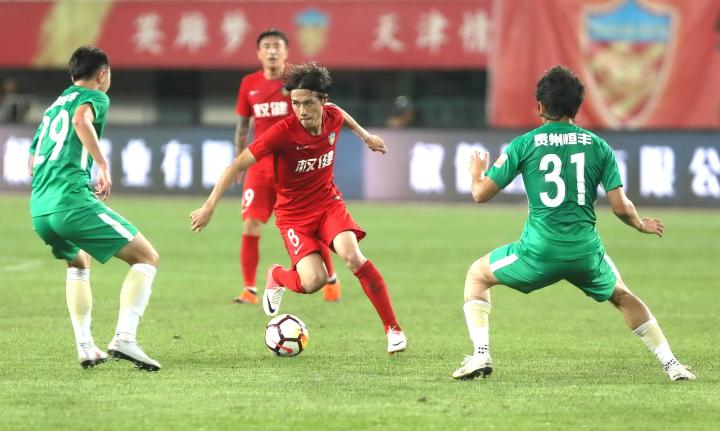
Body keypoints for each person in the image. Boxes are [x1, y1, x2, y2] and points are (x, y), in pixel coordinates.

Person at [451, 65, 695, 381]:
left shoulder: (524, 144)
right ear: (577, 106)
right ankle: (672, 364)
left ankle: (481, 355)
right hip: (584, 251)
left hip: (538, 252)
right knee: (622, 295)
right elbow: (620, 206)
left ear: (541, 105)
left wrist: (476, 174)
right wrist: (639, 224)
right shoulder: (598, 146)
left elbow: (480, 194)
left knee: (477, 275)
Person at [191, 62, 407, 353]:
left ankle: (393, 328)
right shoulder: (282, 132)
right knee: (314, 281)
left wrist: (365, 136)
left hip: (328, 204)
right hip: (293, 217)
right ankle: (278, 275)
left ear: (323, 101)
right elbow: (237, 165)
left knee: (352, 255)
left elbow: (341, 114)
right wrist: (209, 206)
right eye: (295, 103)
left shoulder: (332, 115)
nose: (301, 111)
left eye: (308, 103)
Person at [28, 46, 161, 371]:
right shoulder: (95, 97)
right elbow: (80, 120)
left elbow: (32, 163)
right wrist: (102, 164)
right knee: (147, 258)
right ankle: (125, 338)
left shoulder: (53, 107)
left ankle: (86, 347)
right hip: (70, 203)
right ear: (102, 74)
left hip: (40, 209)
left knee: (78, 262)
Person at [232, 29, 341, 305]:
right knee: (251, 224)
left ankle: (329, 279)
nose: (272, 51)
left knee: (312, 225)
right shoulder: (249, 83)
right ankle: (249, 289)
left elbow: (326, 111)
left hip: (294, 166)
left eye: (277, 46)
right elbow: (243, 124)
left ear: (286, 52)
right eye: (266, 46)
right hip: (260, 167)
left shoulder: (297, 83)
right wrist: (239, 160)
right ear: (259, 53)